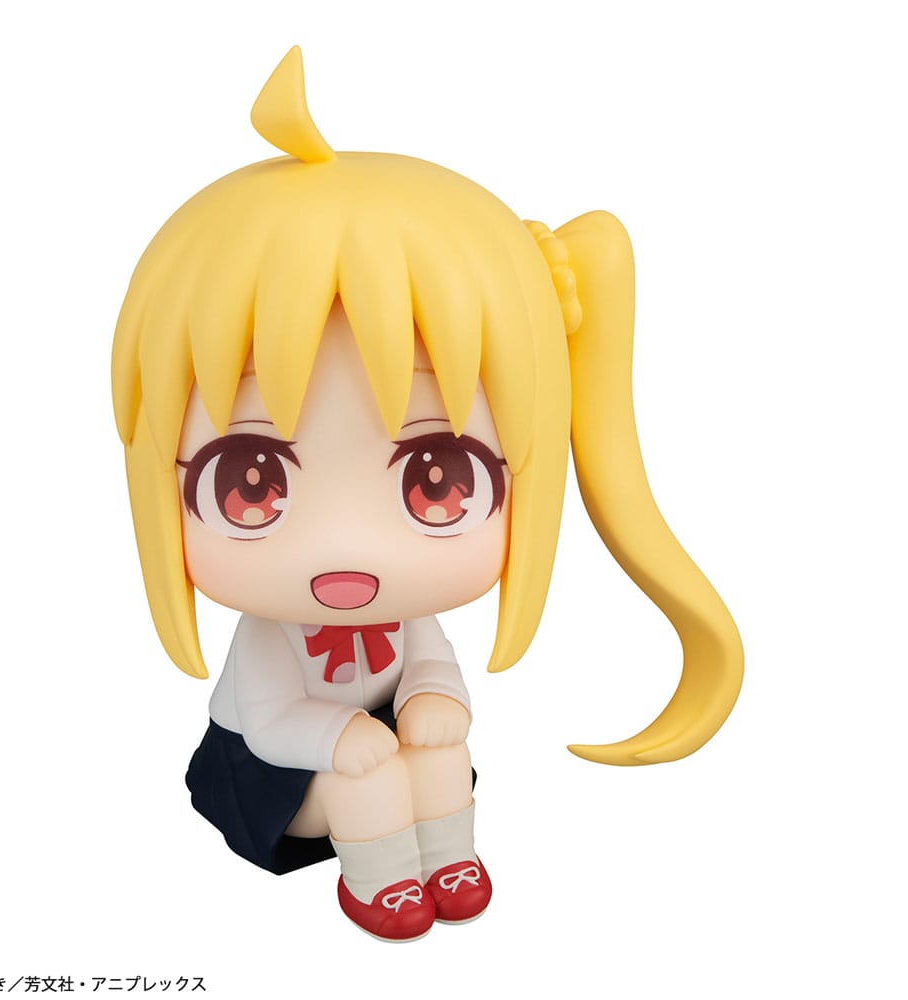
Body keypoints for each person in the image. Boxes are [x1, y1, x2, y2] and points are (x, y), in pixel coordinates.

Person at [111, 47, 743, 942]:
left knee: (440, 757)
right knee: (371, 778)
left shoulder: (406, 619)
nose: (347, 548)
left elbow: (431, 665)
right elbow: (272, 718)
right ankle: (380, 886)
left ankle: (449, 860)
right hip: (272, 771)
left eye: (436, 478)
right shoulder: (270, 636)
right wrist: (340, 740)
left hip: (382, 741)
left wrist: (436, 703)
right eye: (250, 481)